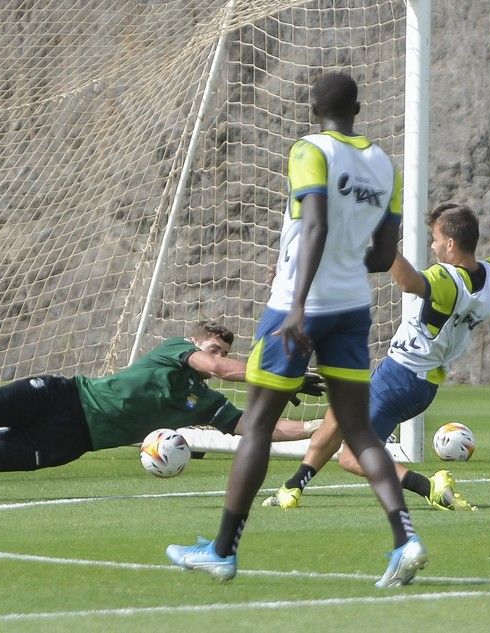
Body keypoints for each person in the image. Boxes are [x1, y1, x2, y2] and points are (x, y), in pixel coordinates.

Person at [166, 71, 426, 588]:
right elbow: (380, 255)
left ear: (313, 108)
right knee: (358, 428)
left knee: (257, 424)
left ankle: (222, 550)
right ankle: (406, 540)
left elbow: (316, 224)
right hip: (353, 307)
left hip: (296, 307)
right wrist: (330, 263)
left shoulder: (309, 150)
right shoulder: (384, 164)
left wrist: (299, 301)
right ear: (359, 107)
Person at [262, 202, 490, 511]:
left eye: (436, 240)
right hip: (424, 382)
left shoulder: (444, 279)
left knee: (352, 457)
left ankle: (430, 487)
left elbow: (407, 282)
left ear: (451, 243)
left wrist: (382, 238)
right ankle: (293, 488)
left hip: (400, 377)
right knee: (338, 415)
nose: (434, 247)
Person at [0, 320, 323, 501]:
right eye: (212, 346)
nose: (215, 354)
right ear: (197, 343)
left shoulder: (203, 402)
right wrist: (282, 376)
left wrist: (318, 426)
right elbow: (228, 372)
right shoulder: (176, 351)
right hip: (62, 394)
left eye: (219, 348)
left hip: (68, 441)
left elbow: (254, 426)